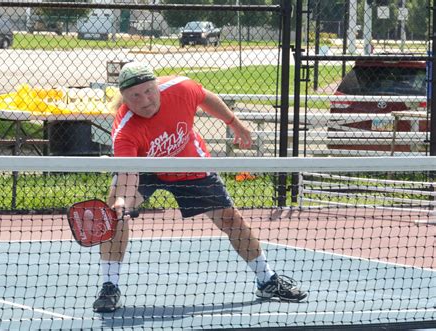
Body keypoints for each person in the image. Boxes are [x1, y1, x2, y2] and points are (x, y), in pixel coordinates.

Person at [93, 62, 307, 312]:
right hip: (145, 168)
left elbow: (207, 98)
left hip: (189, 163)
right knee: (114, 216)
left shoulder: (181, 88)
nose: (145, 100)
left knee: (231, 220)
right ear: (125, 99)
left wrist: (234, 123)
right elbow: (129, 172)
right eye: (135, 96)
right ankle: (110, 286)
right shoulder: (124, 130)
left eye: (149, 91)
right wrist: (122, 203)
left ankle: (267, 280)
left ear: (157, 87)